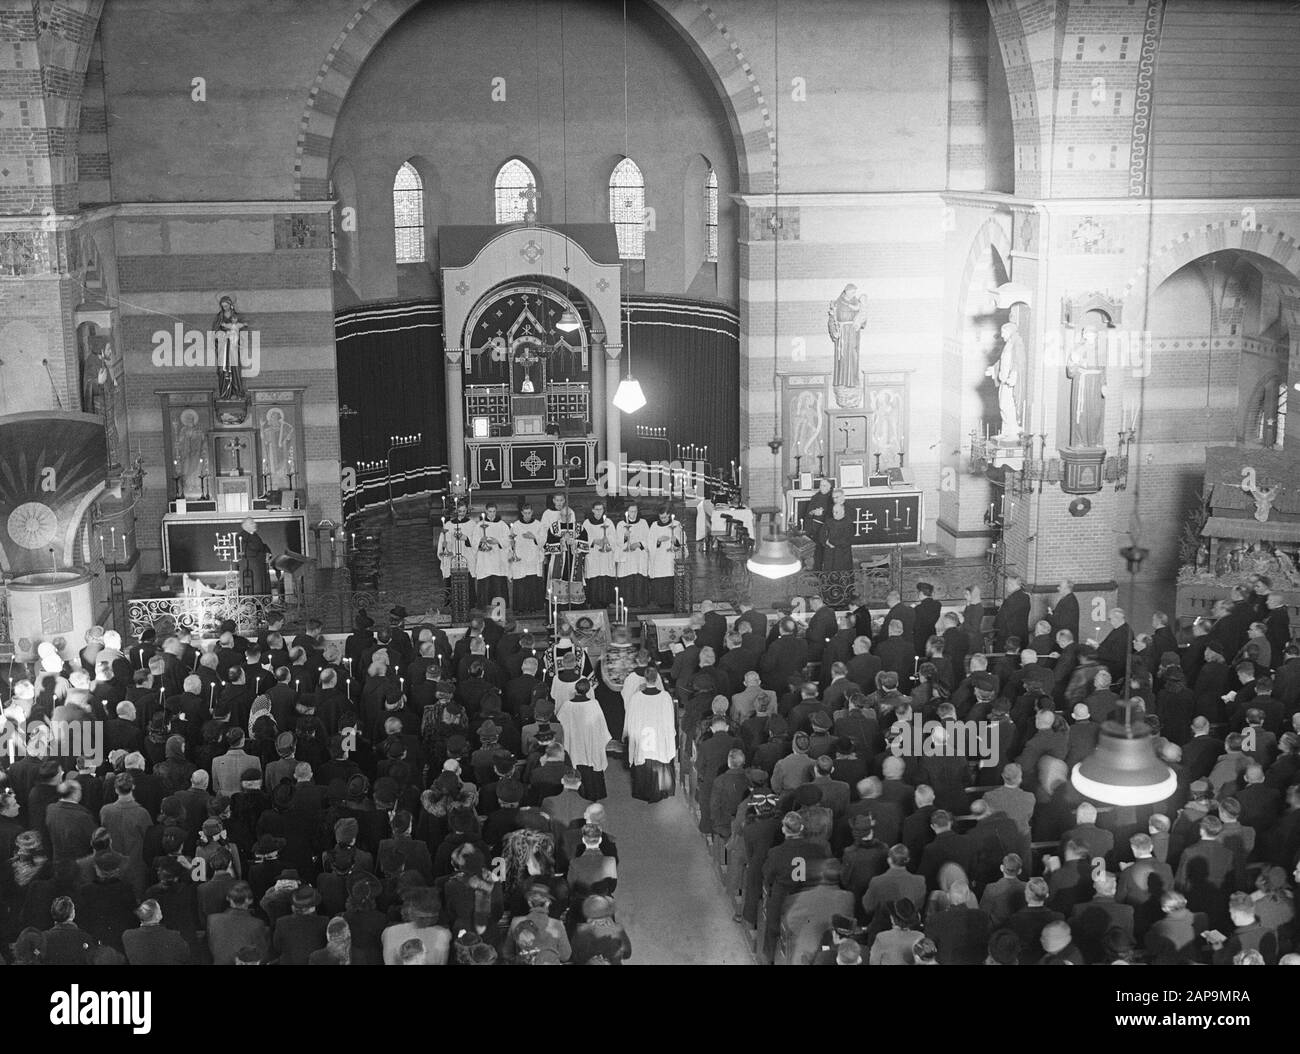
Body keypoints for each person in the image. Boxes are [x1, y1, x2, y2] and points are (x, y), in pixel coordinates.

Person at [624, 668, 676, 803]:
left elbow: (631, 720)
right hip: (658, 739)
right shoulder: (665, 697)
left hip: (643, 739)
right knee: (658, 759)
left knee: (644, 761)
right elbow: (670, 721)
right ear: (656, 678)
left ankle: (643, 791)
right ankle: (660, 790)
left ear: (645, 679)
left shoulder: (636, 697)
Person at [557, 679, 612, 801]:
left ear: (575, 689)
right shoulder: (594, 704)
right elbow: (602, 727)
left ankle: (576, 796)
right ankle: (594, 794)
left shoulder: (567, 705)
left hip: (574, 746)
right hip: (590, 745)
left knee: (575, 763)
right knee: (591, 767)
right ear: (588, 690)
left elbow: (559, 725)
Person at [579, 501, 618, 607]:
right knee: (594, 578)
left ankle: (607, 601)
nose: (599, 512)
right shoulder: (587, 523)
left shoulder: (608, 522)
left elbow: (614, 537)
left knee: (605, 577)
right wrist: (595, 541)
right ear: (592, 510)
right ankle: (593, 601)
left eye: (601, 509)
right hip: (593, 555)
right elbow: (583, 538)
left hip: (606, 554)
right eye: (596, 509)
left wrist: (608, 540)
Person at [509, 501, 546, 613]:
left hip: (533, 559)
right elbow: (511, 540)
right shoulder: (515, 525)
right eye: (525, 513)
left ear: (532, 512)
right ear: (522, 513)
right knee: (521, 585)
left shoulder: (538, 525)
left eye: (529, 513)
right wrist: (511, 544)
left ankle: (534, 607)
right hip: (521, 560)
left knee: (533, 584)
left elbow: (543, 541)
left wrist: (534, 537)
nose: (527, 515)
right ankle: (521, 608)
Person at [473, 502, 511, 609]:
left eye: (494, 511)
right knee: (485, 586)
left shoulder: (502, 525)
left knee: (498, 586)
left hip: (498, 561)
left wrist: (498, 541)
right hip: (485, 561)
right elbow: (474, 542)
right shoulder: (479, 526)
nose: (492, 514)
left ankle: (500, 610)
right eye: (490, 511)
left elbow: (508, 541)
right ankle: (484, 610)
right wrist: (481, 540)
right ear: (486, 511)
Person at [236, 517, 272, 595]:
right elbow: (248, 552)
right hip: (250, 567)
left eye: (254, 522)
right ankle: (253, 604)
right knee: (255, 588)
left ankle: (263, 603)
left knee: (262, 586)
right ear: (245, 526)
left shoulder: (255, 535)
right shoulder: (240, 537)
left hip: (259, 566)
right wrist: (263, 555)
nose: (255, 524)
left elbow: (263, 546)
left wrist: (268, 553)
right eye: (252, 523)